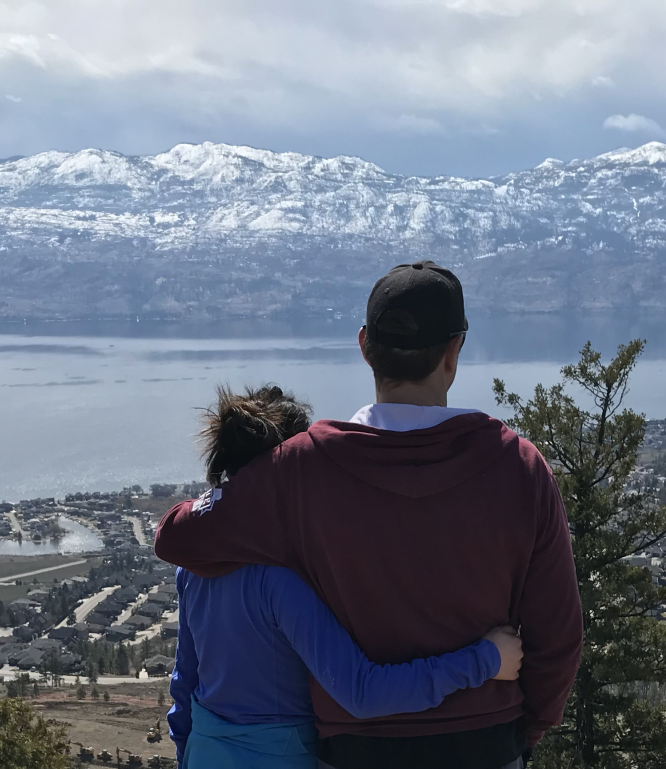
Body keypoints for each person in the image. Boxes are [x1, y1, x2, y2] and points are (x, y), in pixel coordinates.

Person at [154, 262, 583, 769]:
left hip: (357, 749)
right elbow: (558, 636)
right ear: (455, 350)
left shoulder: (302, 467)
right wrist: (523, 732)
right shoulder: (519, 466)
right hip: (487, 740)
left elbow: (178, 538)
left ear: (364, 346)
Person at [168, 384, 524, 769]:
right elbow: (360, 692)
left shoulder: (193, 567)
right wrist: (486, 660)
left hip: (204, 753)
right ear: (285, 474)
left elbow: (184, 687)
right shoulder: (280, 583)